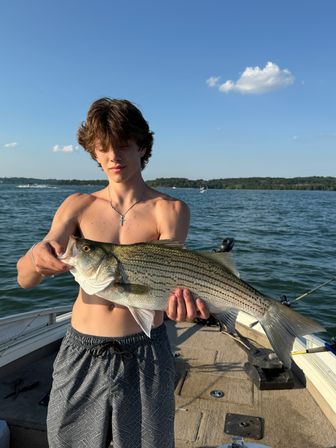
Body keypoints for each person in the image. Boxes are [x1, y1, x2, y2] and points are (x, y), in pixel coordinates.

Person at [16, 98, 209, 448]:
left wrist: (183, 308)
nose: (113, 158)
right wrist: (35, 259)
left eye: (122, 146)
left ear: (143, 147)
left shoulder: (171, 209)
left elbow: (169, 283)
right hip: (81, 349)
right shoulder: (78, 205)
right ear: (93, 152)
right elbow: (25, 279)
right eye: (102, 149)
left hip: (145, 350)